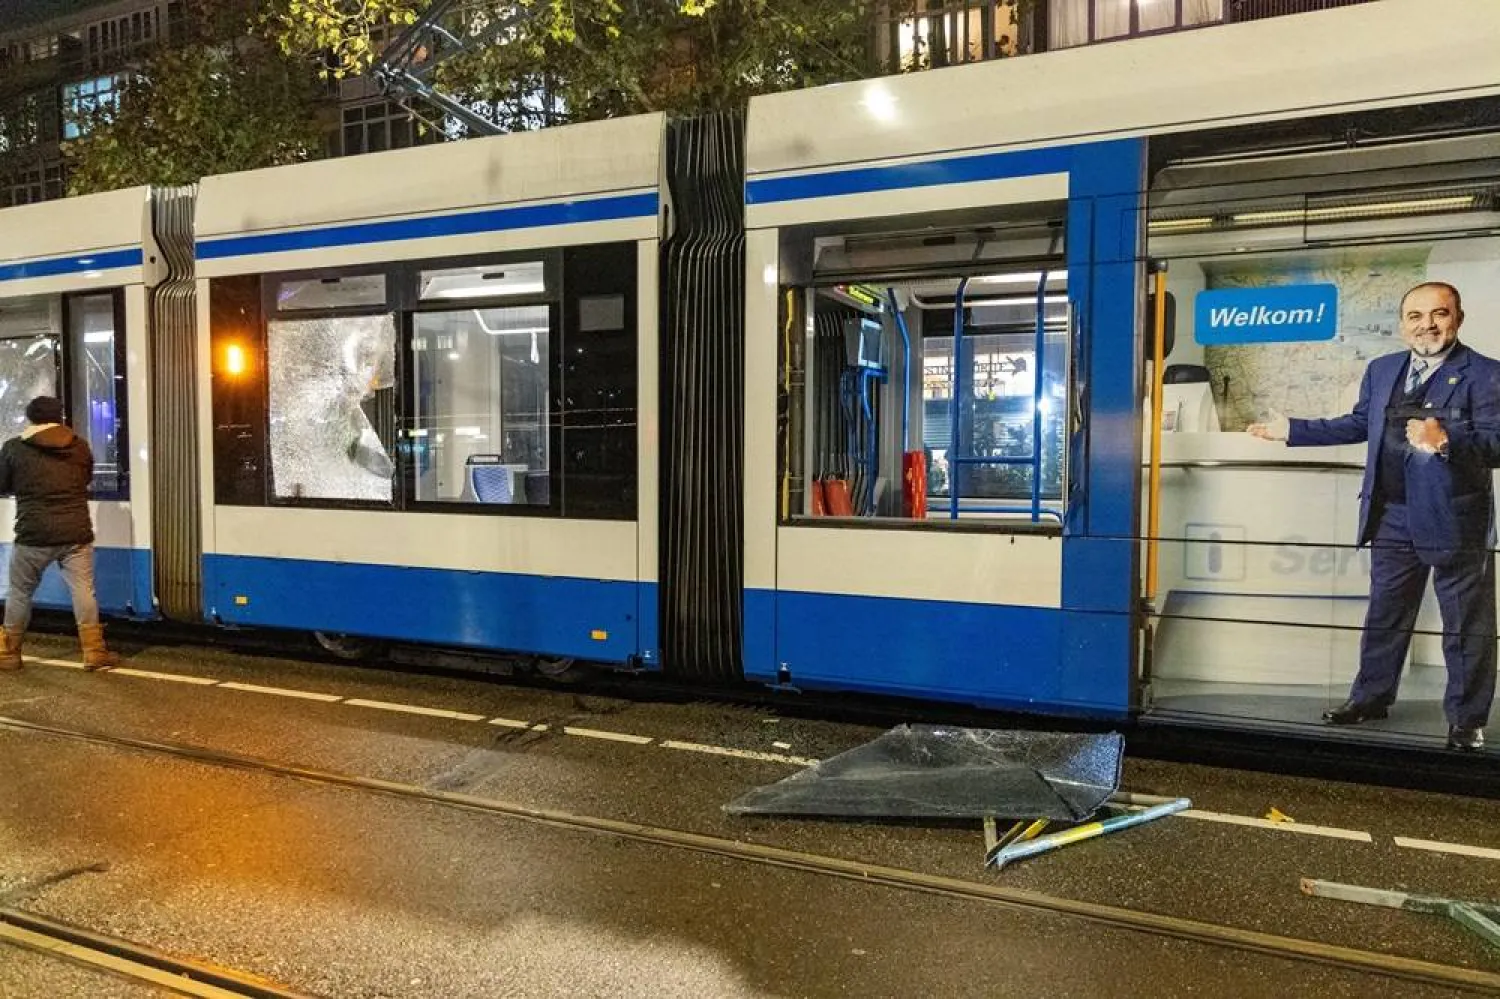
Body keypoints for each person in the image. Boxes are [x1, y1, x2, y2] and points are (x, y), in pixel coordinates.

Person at [1249, 282, 1499, 751]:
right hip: (1391, 514)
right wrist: (1291, 431)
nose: (1427, 325)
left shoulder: (1485, 374)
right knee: (1385, 614)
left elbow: (1498, 442)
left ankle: (1467, 719)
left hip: (1454, 520)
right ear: (1402, 324)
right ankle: (1371, 697)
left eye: (1439, 314)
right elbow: (1359, 423)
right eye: (1415, 316)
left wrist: (1446, 440)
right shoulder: (1383, 369)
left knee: (1466, 624)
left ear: (1458, 319)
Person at [0, 396, 120, 673]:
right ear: (60, 416)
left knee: (20, 592)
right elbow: (86, 478)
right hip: (75, 533)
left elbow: (2, 483)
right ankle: (94, 651)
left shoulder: (14, 448)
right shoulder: (79, 447)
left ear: (31, 418)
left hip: (33, 534)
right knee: (83, 591)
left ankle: (8, 652)